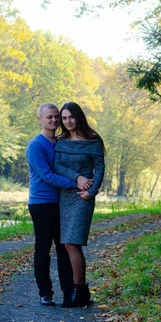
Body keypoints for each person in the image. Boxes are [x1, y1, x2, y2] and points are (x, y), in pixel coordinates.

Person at [25, 103, 92, 307]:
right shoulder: (35, 146)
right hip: (42, 203)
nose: (54, 121)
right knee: (43, 249)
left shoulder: (62, 142)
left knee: (65, 248)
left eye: (56, 117)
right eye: (49, 117)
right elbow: (47, 175)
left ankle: (69, 291)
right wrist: (76, 183)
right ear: (40, 120)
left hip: (63, 202)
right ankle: (45, 292)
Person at [54, 102, 105, 308]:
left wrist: (91, 192)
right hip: (66, 196)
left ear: (78, 117)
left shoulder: (93, 140)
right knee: (67, 243)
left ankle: (80, 289)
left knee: (72, 242)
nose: (68, 122)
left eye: (71, 117)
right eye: (64, 119)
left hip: (83, 197)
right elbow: (57, 165)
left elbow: (100, 168)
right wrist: (77, 177)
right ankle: (81, 291)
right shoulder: (61, 141)